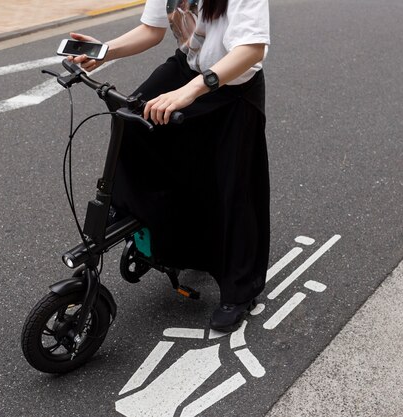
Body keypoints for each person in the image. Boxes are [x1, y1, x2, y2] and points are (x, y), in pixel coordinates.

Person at [69, 0, 270, 332]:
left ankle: (240, 291)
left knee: (234, 188)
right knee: (131, 122)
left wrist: (190, 92)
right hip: (188, 69)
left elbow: (251, 50)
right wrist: (105, 51)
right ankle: (153, 223)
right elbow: (151, 30)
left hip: (233, 87)